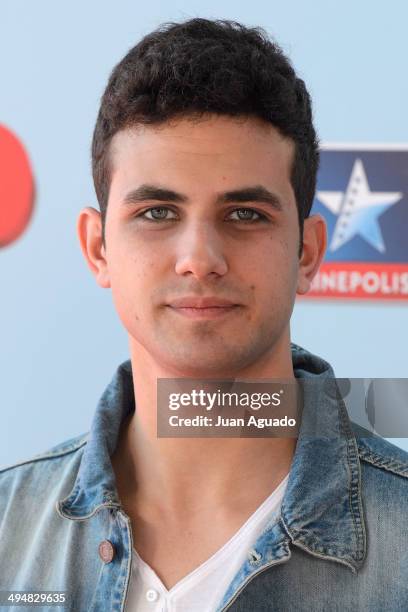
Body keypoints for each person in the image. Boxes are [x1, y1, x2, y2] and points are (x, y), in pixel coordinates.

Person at [1, 17, 407, 612]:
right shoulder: (9, 527)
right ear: (97, 248)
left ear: (308, 252)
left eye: (245, 214)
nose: (200, 259)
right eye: (158, 212)